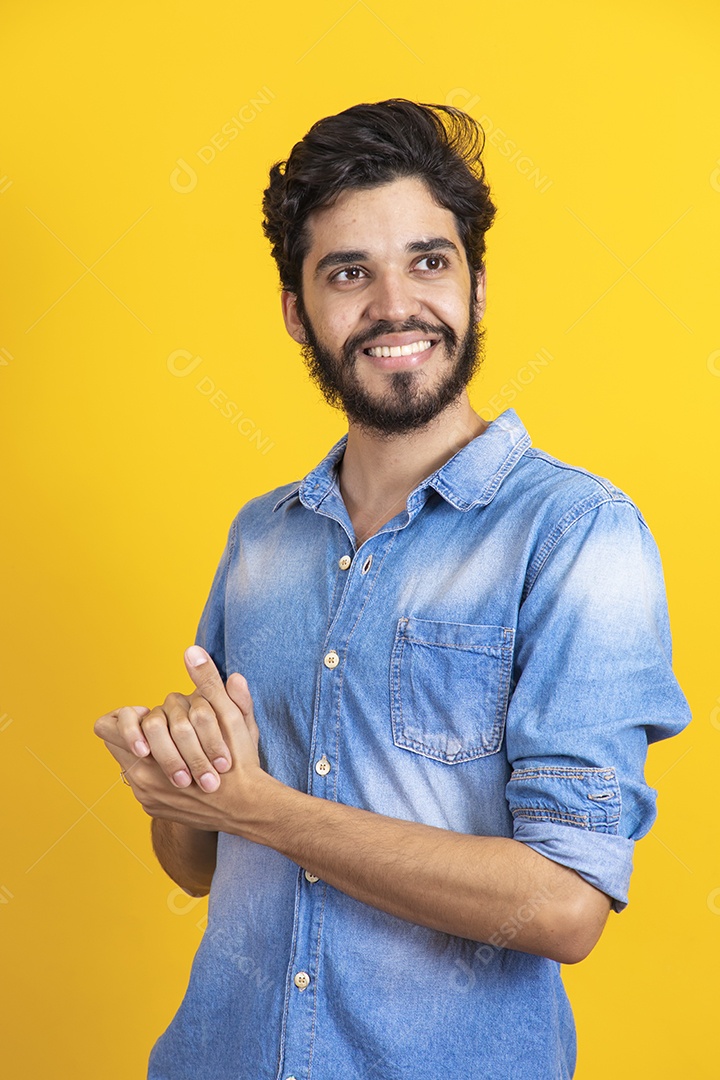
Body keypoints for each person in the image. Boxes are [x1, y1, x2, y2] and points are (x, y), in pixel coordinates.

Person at [94, 99, 692, 1079]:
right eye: (348, 273)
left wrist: (259, 806)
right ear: (297, 312)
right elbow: (196, 865)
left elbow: (563, 904)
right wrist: (180, 780)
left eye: (428, 262)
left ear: (477, 288)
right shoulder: (263, 539)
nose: (394, 306)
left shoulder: (576, 534)